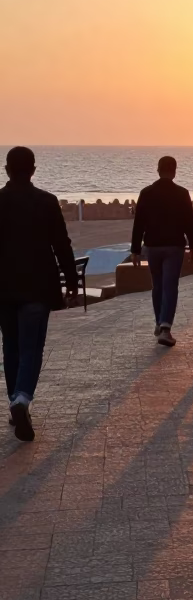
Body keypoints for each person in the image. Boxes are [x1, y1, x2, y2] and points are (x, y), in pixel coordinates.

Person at [0, 146, 78, 442]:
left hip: (4, 289)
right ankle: (21, 400)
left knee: (11, 346)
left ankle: (14, 404)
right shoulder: (47, 202)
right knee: (31, 347)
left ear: (7, 170)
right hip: (37, 287)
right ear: (33, 170)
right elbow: (62, 244)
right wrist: (71, 280)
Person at [131, 156, 193, 347]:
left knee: (157, 285)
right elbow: (188, 222)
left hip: (152, 246)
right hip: (173, 246)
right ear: (174, 171)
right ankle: (165, 328)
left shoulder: (146, 193)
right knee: (170, 285)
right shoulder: (182, 193)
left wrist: (135, 249)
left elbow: (139, 223)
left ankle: (159, 321)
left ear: (158, 170)